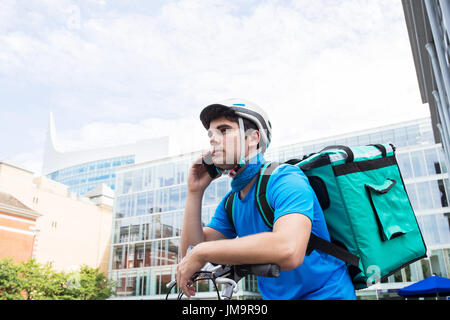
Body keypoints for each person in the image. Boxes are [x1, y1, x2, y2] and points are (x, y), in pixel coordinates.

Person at [176, 98, 356, 300]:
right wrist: (194, 191)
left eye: (224, 130)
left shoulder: (284, 178)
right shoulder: (231, 202)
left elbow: (289, 249)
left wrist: (203, 252)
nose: (212, 139)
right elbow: (190, 254)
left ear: (253, 138)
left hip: (327, 295)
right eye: (211, 133)